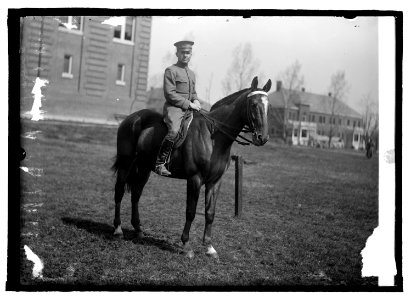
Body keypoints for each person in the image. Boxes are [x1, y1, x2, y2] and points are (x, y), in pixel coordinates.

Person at [154, 40, 202, 176]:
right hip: (174, 108)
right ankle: (160, 163)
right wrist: (189, 104)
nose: (186, 56)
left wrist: (196, 100)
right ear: (177, 53)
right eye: (183, 53)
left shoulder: (191, 73)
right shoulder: (171, 70)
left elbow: (193, 93)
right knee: (174, 131)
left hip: (189, 109)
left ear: (191, 54)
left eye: (188, 53)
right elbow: (170, 94)